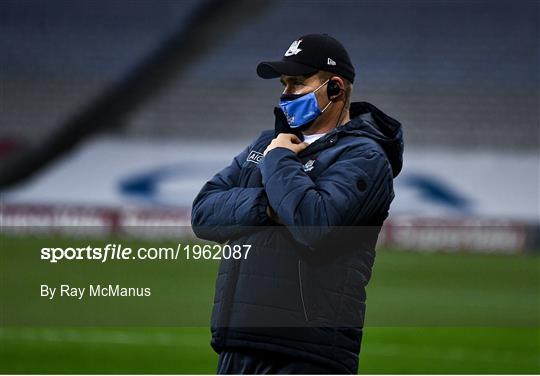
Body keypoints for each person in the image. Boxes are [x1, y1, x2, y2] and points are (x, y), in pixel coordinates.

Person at [191, 33, 404, 374]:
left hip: (305, 355)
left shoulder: (364, 157)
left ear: (336, 88)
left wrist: (277, 161)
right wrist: (270, 208)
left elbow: (314, 224)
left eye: (298, 83)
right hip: (239, 346)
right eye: (284, 83)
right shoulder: (267, 142)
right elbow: (203, 212)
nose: (286, 93)